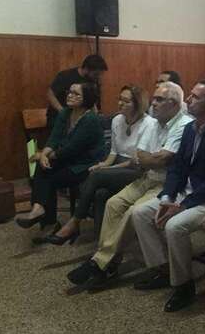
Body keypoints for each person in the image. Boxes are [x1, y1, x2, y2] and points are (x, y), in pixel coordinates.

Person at [66, 82, 192, 289]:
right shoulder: (154, 123)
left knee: (133, 212)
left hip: (168, 184)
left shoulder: (184, 124)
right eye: (154, 98)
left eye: (159, 99)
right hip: (147, 177)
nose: (153, 103)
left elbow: (163, 160)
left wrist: (150, 158)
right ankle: (108, 264)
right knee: (113, 204)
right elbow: (139, 156)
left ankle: (100, 263)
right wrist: (151, 158)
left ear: (174, 103)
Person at [131, 80, 205, 312]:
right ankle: (163, 269)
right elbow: (177, 168)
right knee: (139, 213)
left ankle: (184, 286)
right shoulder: (190, 128)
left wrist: (182, 206)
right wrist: (167, 198)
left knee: (174, 226)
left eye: (195, 97)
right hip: (185, 193)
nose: (188, 100)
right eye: (190, 95)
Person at [41, 85, 150, 244]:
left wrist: (107, 168)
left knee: (96, 174)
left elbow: (135, 160)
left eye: (126, 101)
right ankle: (102, 240)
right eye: (120, 99)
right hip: (117, 165)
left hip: (136, 169)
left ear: (138, 104)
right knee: (100, 193)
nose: (120, 103)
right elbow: (113, 151)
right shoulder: (117, 120)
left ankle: (75, 221)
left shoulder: (148, 123)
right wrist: (104, 164)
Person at [17, 82, 105, 230]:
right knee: (43, 167)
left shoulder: (90, 119)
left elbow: (72, 149)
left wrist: (45, 156)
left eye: (76, 94)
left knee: (49, 177)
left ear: (87, 98)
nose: (70, 95)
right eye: (69, 92)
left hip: (85, 164)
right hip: (67, 159)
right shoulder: (65, 113)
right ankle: (39, 210)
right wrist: (44, 155)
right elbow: (54, 138)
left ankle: (47, 220)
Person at [46, 54, 107, 129]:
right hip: (57, 117)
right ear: (86, 69)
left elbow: (92, 102)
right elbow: (50, 94)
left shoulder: (92, 80)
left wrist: (96, 116)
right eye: (96, 74)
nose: (98, 77)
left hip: (78, 119)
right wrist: (62, 112)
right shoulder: (66, 76)